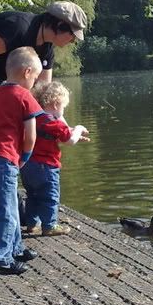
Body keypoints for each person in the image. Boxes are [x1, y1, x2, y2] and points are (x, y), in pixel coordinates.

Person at [0, 1, 87, 225]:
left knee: (12, 137)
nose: (72, 41)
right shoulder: (18, 27)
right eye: (72, 34)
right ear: (59, 25)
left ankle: (4, 203)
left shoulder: (46, 48)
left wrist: (62, 127)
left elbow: (43, 96)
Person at [0, 47, 44, 274]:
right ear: (27, 72)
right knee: (5, 209)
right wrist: (23, 157)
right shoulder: (25, 96)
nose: (34, 82)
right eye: (35, 77)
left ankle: (16, 248)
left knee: (11, 204)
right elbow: (31, 136)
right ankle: (0, 257)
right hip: (6, 159)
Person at [21, 81, 89, 236]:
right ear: (57, 104)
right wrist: (78, 129)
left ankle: (32, 223)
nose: (63, 110)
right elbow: (69, 140)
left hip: (27, 166)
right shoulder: (55, 123)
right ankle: (49, 226)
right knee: (50, 197)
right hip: (47, 167)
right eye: (63, 107)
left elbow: (56, 136)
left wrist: (72, 132)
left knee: (32, 195)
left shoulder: (33, 118)